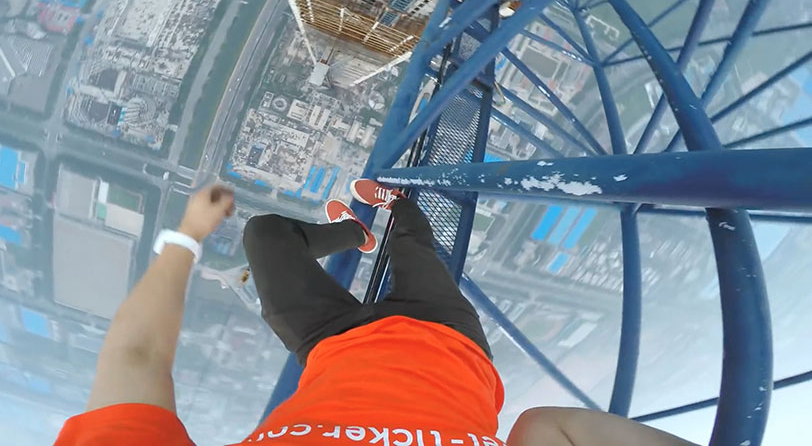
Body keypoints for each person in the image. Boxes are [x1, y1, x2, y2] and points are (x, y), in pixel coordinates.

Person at [53, 181, 697, 446]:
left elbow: (134, 359)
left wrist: (190, 233)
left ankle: (354, 235)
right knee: (415, 244)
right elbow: (550, 427)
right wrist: (188, 235)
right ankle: (389, 211)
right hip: (445, 340)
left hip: (330, 344)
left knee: (268, 237)